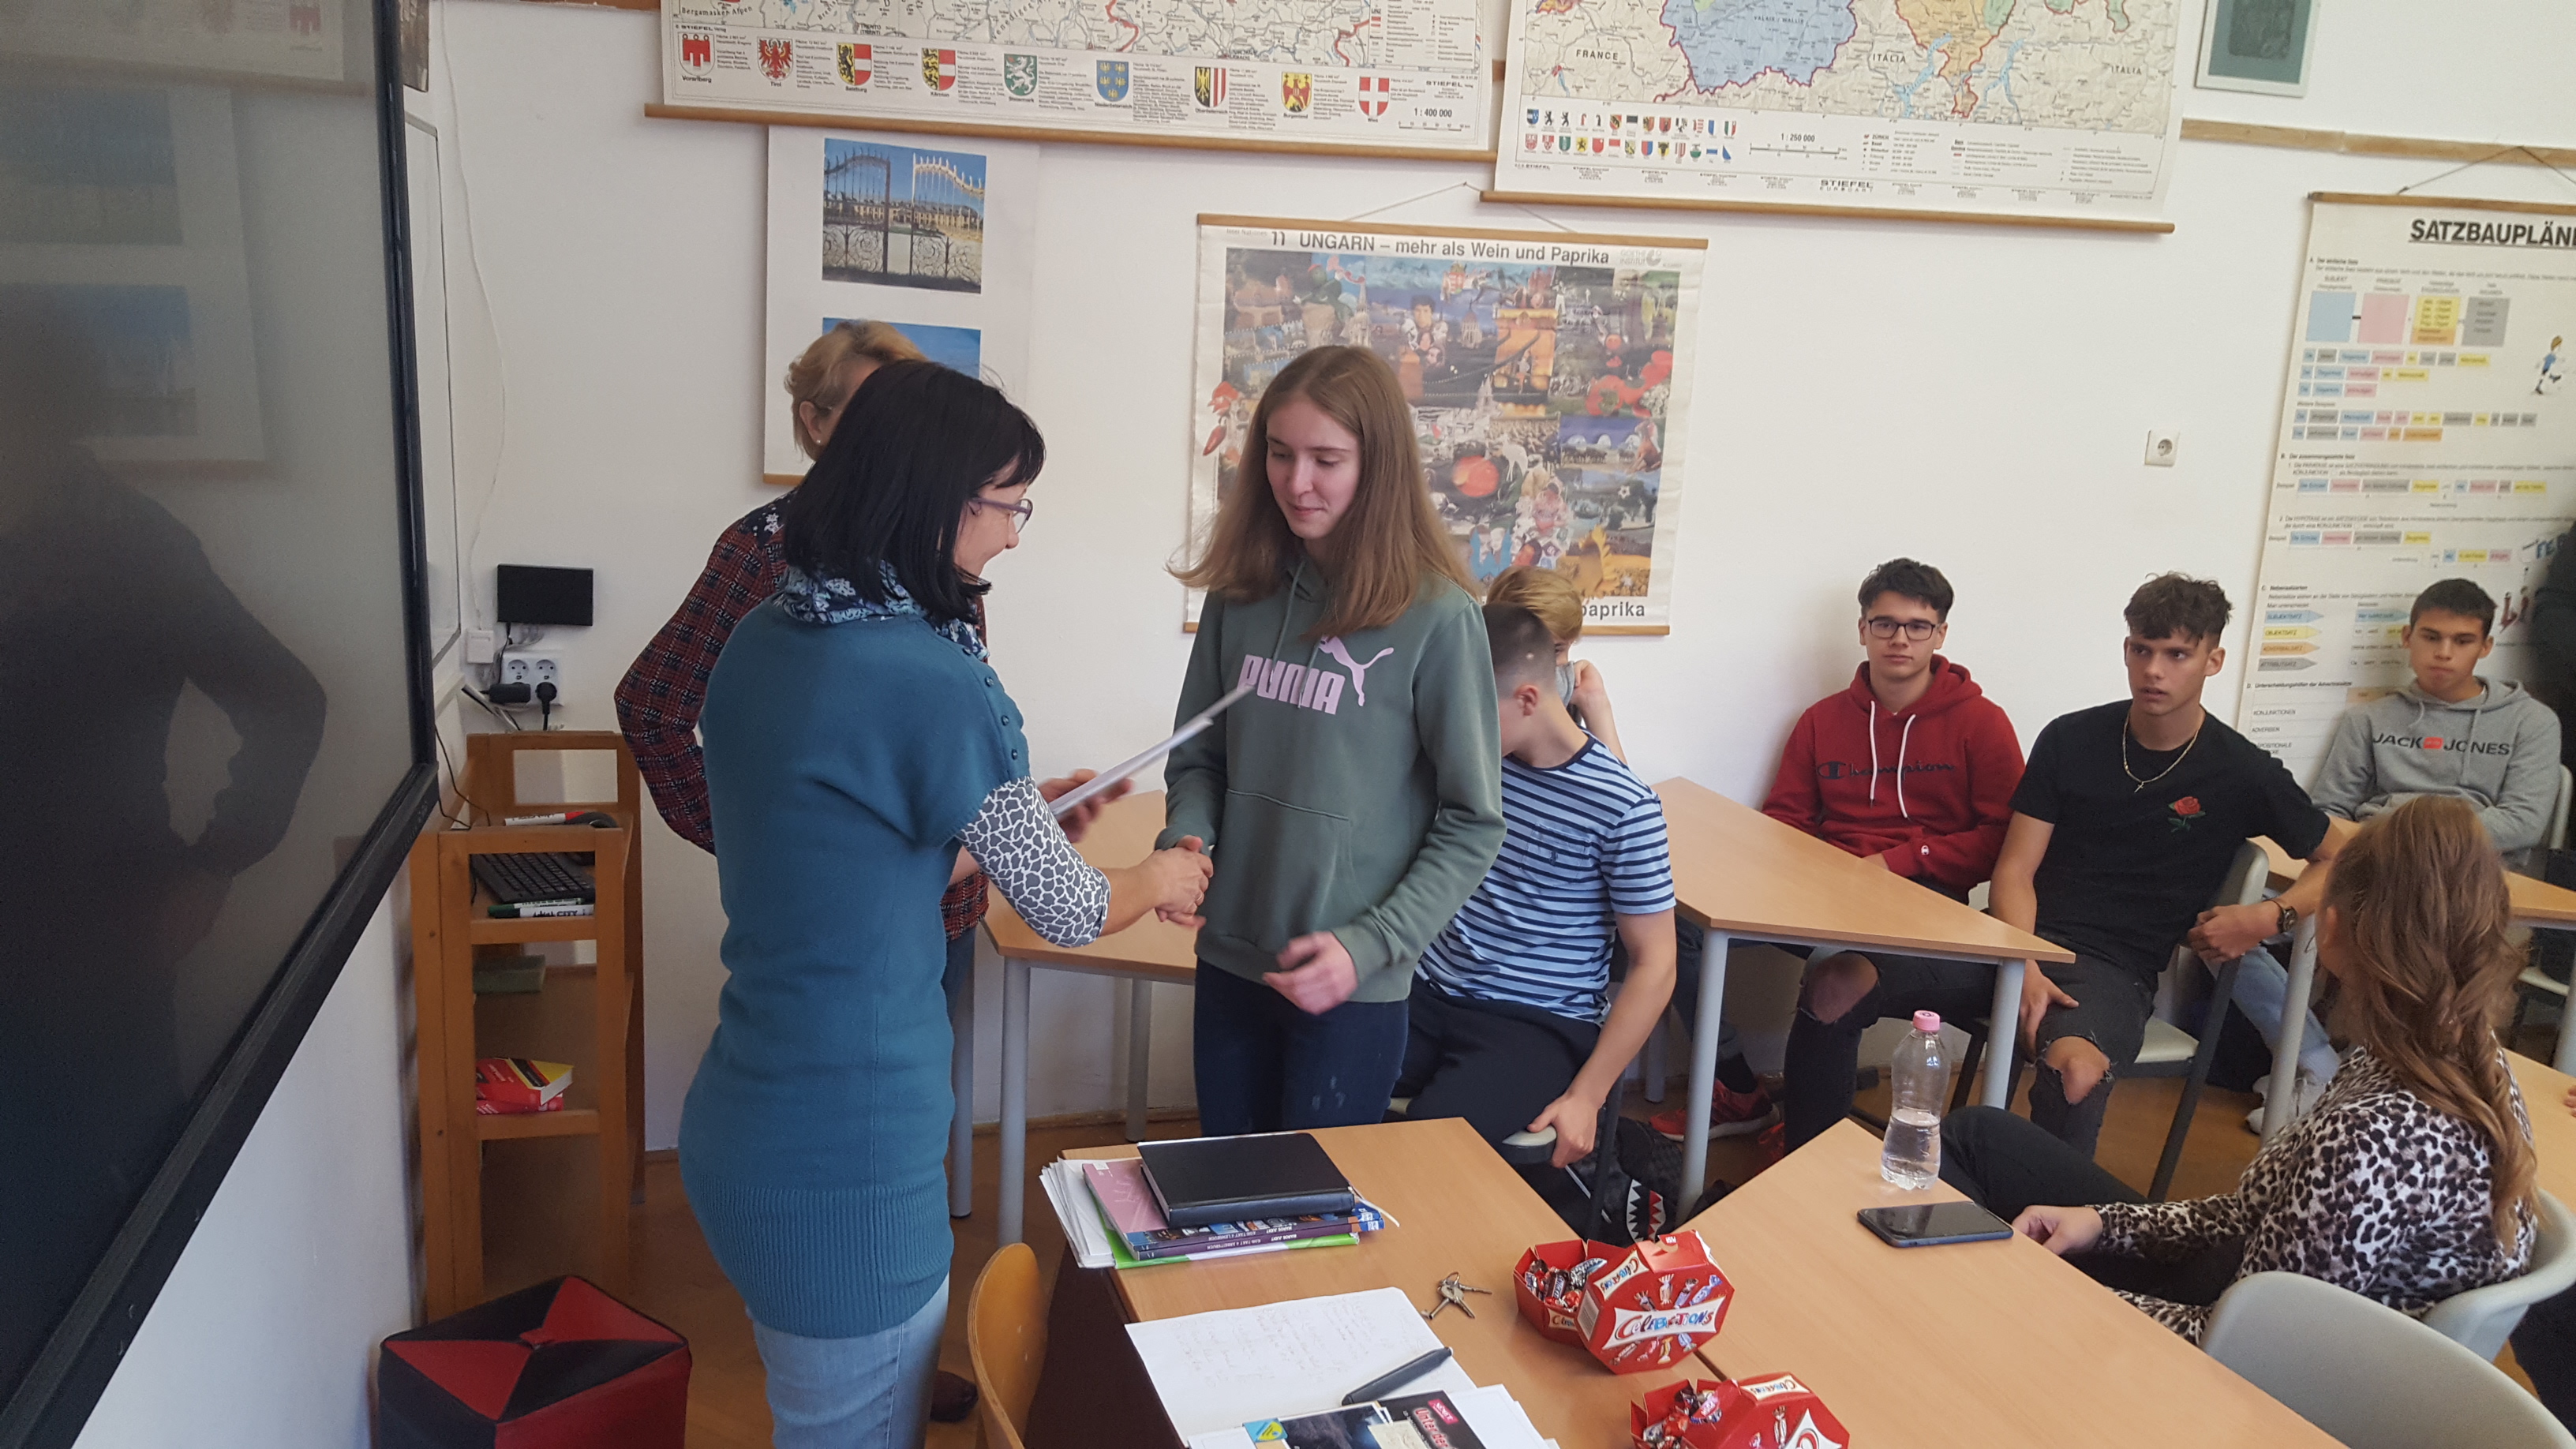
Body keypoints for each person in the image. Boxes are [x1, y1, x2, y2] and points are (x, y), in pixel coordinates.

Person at [680, 361, 1213, 1448]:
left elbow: (846, 856)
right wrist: (1161, 877)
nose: (1013, 537)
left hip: (750, 1120)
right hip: (848, 1157)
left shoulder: (767, 636)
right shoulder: (928, 677)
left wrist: (1013, 820)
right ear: (936, 501)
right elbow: (1067, 909)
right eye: (1009, 506)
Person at [615, 323, 995, 1423]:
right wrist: (766, 847)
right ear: (815, 425)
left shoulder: (939, 545)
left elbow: (933, 745)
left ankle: (899, 1354)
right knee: (850, 1150)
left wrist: (1002, 817)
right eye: (871, 415)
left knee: (905, 1144)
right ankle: (867, 1361)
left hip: (939, 906)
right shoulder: (766, 556)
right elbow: (654, 703)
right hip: (848, 941)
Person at [1941, 796, 2537, 1343]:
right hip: (2246, 1298)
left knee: (1982, 1255)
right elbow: (2248, 1217)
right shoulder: (2466, 1055)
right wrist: (2104, 1224)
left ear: (2331, 928)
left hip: (2242, 1368)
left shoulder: (2373, 1137)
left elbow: (2253, 1350)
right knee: (1978, 1135)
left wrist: (2044, 1294)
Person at [1165, 345, 1507, 1135]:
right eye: (1279, 454)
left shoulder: (1439, 616)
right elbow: (1198, 757)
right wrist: (1188, 837)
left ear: (1377, 467)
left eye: (1326, 460)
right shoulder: (1240, 594)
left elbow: (1473, 821)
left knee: (1315, 1199)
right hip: (1230, 958)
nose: (1296, 483)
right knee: (1229, 1186)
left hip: (1353, 980)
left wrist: (1373, 945)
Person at [1664, 559, 2024, 1147]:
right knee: (1673, 927)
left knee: (1834, 967)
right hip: (1826, 889)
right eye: (1885, 624)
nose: (1900, 639)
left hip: (1921, 901)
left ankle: (1811, 1152)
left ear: (1940, 635)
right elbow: (1784, 821)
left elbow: (2002, 838)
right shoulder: (1821, 720)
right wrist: (1802, 875)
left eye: (1917, 626)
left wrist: (1902, 859)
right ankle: (1739, 1087)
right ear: (1862, 630)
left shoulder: (1981, 723)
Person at [1983, 573, 2342, 1158]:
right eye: (2142, 650)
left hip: (2110, 967)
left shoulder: (2242, 771)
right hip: (2010, 938)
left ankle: (2041, 1213)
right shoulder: (2070, 738)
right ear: (2126, 650)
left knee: (2076, 1075)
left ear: (2213, 661)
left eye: (2177, 654)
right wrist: (2022, 960)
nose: (2154, 671)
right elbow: (2014, 870)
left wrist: (2267, 917)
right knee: (1844, 980)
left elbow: (2341, 858)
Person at [2233, 577, 2561, 1128]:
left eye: (2462, 640)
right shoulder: (2369, 719)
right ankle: (2317, 1064)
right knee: (2228, 922)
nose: (2444, 653)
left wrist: (2406, 838)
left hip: (2470, 885)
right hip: (2371, 872)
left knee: (2414, 942)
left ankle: (2388, 1087)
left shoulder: (2531, 722)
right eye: (2431, 637)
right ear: (2408, 638)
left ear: (2486, 646)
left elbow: (2523, 820)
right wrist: (2388, 847)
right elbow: (2329, 809)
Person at [1398, 601, 1676, 1167]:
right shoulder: (1477, 766)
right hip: (1427, 990)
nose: (1458, 731)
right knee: (1319, 1084)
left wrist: (1588, 1096)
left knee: (1426, 1151)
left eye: (1472, 713)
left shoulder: (1625, 806)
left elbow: (1657, 964)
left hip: (1535, 1022)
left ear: (1527, 699)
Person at [1483, 563, 1627, 760]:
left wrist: (1596, 703)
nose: (1545, 665)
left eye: (1558, 650)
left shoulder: (1568, 698)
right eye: (1533, 652)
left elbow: (1616, 778)